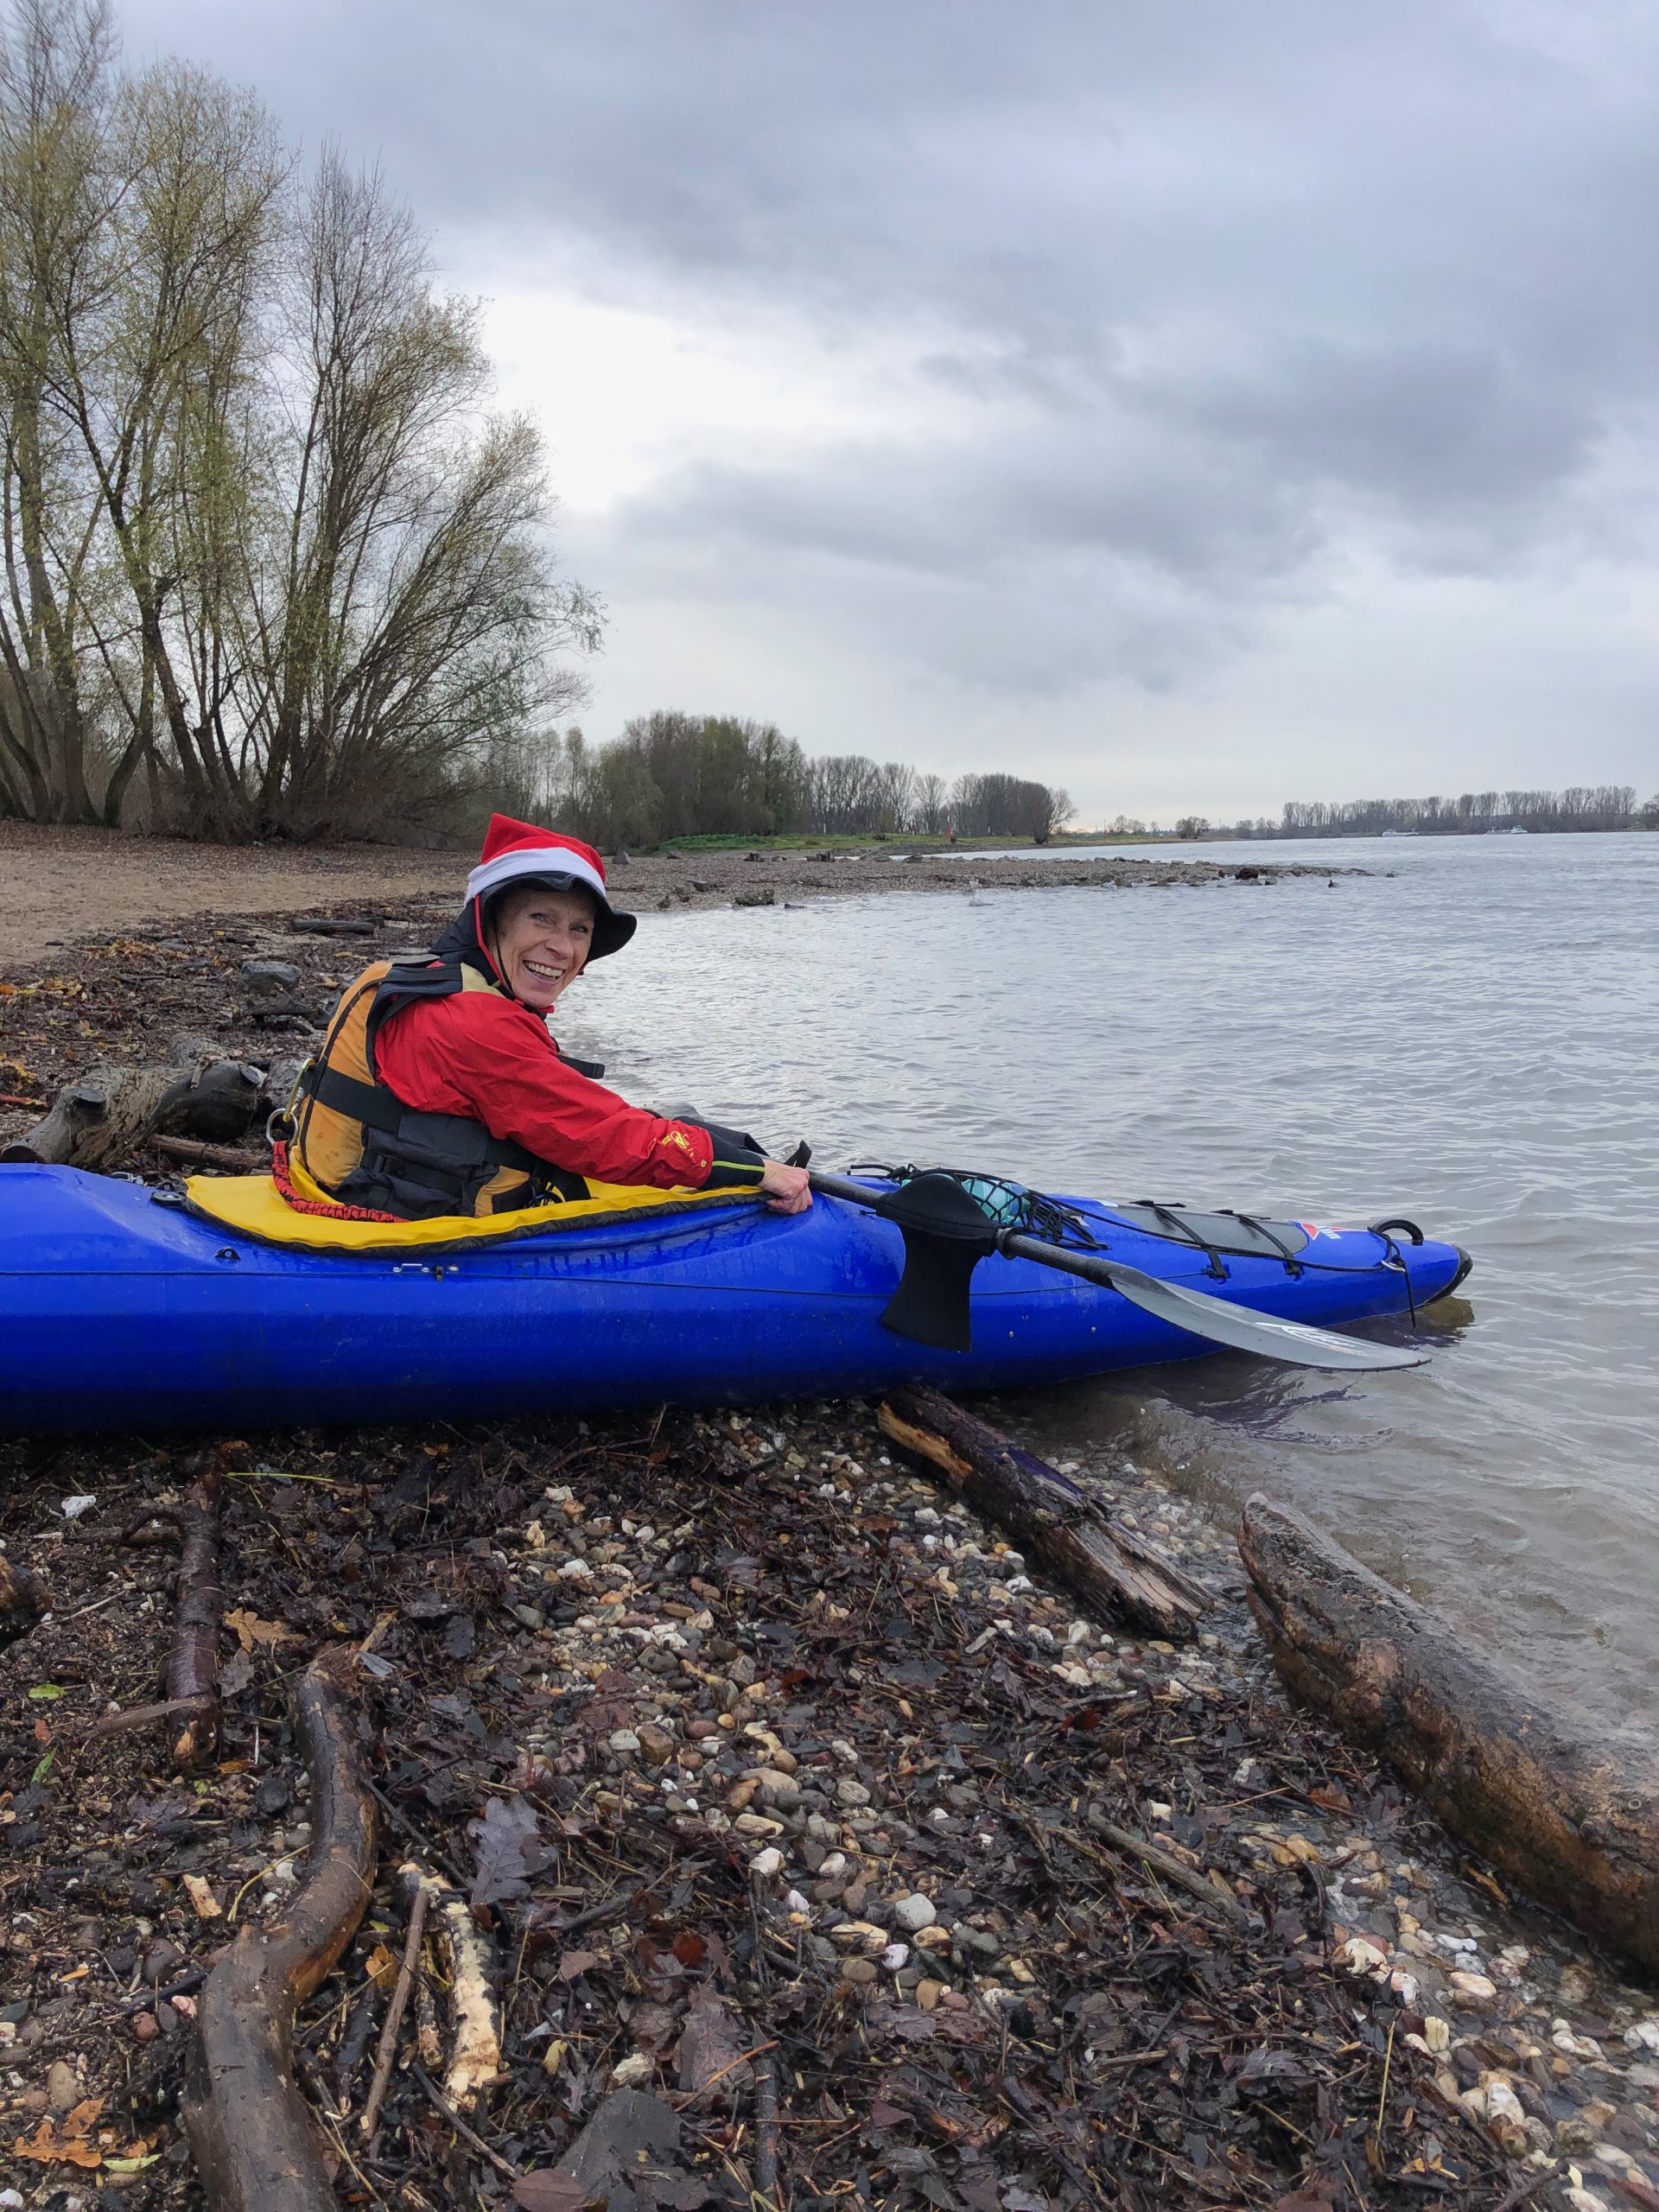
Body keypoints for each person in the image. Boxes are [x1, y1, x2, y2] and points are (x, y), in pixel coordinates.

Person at [288, 814, 813, 1221]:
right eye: (541, 918)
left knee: (680, 1127)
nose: (560, 948)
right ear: (489, 919)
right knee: (685, 1146)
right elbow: (609, 1138)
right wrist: (757, 1172)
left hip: (333, 1181)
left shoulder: (421, 976)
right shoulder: (472, 1019)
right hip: (376, 1221)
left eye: (579, 930)